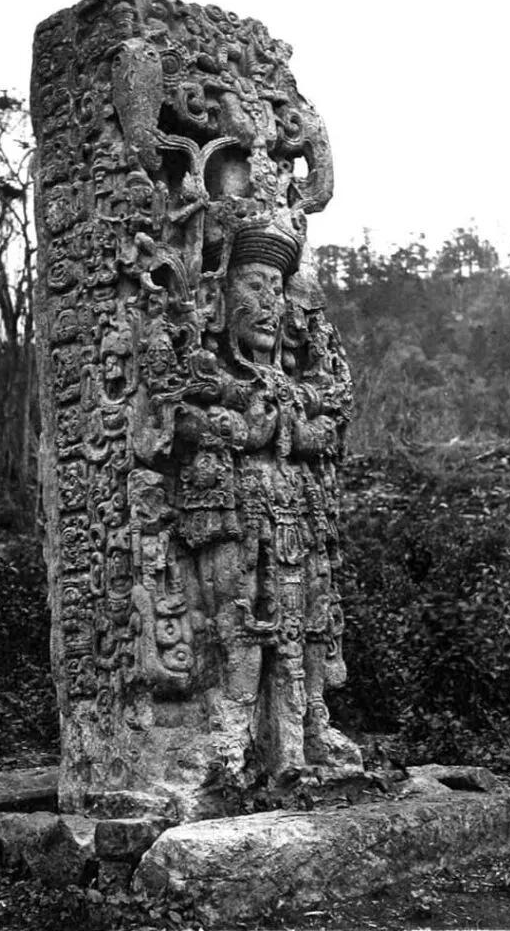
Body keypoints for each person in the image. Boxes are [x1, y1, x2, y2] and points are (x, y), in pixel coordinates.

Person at [168, 219, 362, 787]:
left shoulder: (299, 378)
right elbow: (176, 415)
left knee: (311, 617)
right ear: (220, 298)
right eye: (254, 286)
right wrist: (244, 427)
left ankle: (307, 723)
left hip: (299, 507)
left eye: (277, 289)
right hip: (233, 508)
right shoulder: (206, 368)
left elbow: (332, 417)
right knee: (239, 617)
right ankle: (233, 728)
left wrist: (290, 428)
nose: (270, 302)